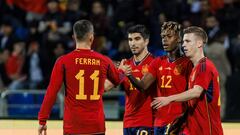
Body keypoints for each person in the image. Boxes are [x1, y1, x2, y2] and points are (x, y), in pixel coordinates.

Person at [38, 20, 124, 135]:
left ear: (74, 37)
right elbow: (117, 80)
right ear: (91, 37)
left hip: (73, 126)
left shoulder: (63, 61)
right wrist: (122, 70)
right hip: (96, 126)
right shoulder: (104, 60)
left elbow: (51, 92)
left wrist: (42, 120)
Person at [122, 21, 193, 135]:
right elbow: (143, 86)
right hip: (159, 122)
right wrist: (129, 74)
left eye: (169, 36)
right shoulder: (157, 62)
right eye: (163, 36)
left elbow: (193, 93)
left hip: (179, 121)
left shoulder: (188, 63)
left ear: (179, 39)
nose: (165, 40)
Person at [151, 26, 223, 135]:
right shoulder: (194, 68)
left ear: (199, 43)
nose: (183, 45)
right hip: (194, 130)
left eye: (188, 41)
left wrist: (169, 99)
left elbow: (196, 92)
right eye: (183, 41)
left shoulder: (204, 67)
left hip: (207, 131)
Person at [105, 24, 156, 135]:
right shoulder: (126, 64)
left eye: (137, 39)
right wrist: (119, 71)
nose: (133, 43)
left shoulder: (154, 63)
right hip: (128, 122)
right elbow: (106, 87)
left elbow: (143, 87)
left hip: (147, 121)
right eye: (130, 39)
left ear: (146, 41)